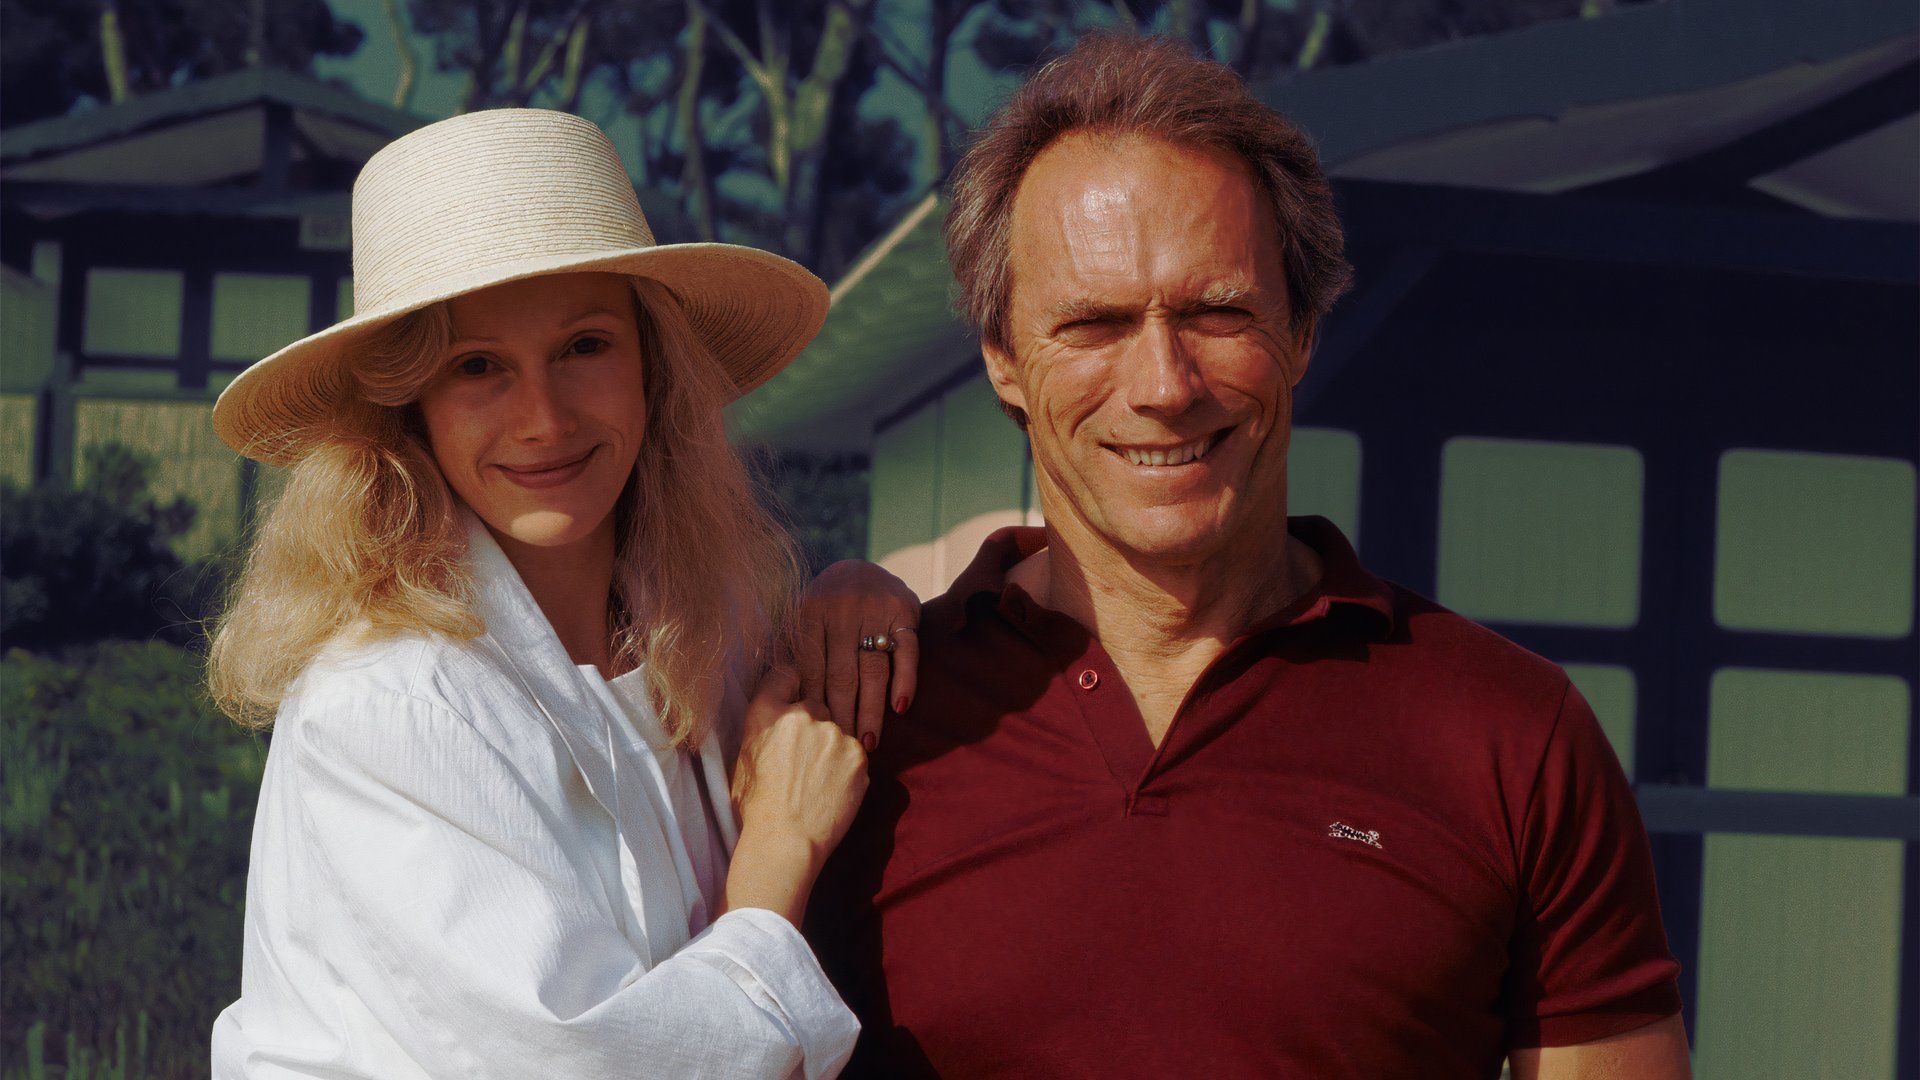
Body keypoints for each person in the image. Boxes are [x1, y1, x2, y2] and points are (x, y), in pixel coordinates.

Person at [809, 33, 1691, 1079]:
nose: (1164, 383)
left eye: (1217, 311)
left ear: (1303, 329)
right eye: (1092, 323)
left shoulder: (1510, 735)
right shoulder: (850, 728)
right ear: (1002, 358)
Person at [207, 108, 920, 1078]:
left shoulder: (700, 632)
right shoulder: (387, 703)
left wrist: (852, 596)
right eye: (477, 367)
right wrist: (777, 861)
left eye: (585, 346)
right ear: (405, 408)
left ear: (651, 369)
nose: (543, 418)